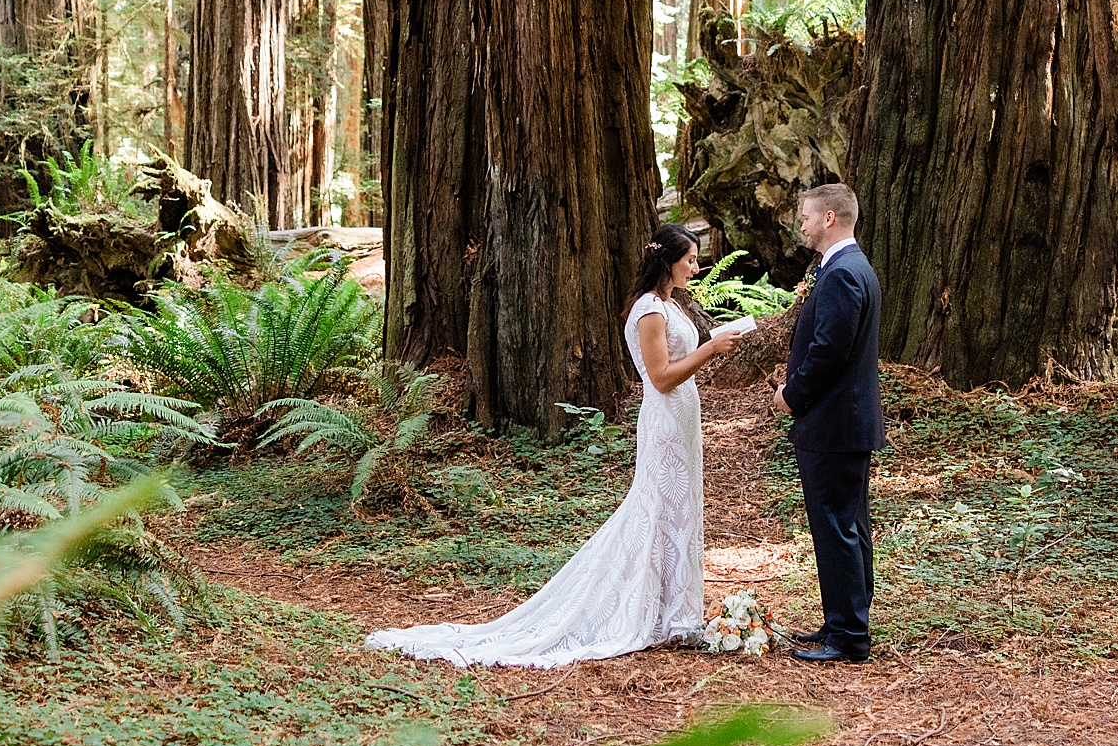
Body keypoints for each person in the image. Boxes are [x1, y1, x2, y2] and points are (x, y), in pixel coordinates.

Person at [366, 223, 735, 669]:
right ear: (667, 261)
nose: (696, 268)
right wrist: (712, 349)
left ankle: (677, 610)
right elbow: (659, 378)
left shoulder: (672, 305)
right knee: (657, 506)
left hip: (684, 420)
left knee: (680, 508)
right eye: (690, 259)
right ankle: (655, 610)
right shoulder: (649, 310)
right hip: (665, 419)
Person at [773, 182, 884, 664]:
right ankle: (844, 618)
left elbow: (828, 350)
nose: (801, 224)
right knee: (849, 523)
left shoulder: (841, 273)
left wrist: (792, 395)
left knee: (836, 526)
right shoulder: (849, 267)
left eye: (806, 216)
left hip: (834, 423)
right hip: (846, 421)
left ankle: (849, 636)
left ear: (830, 219)